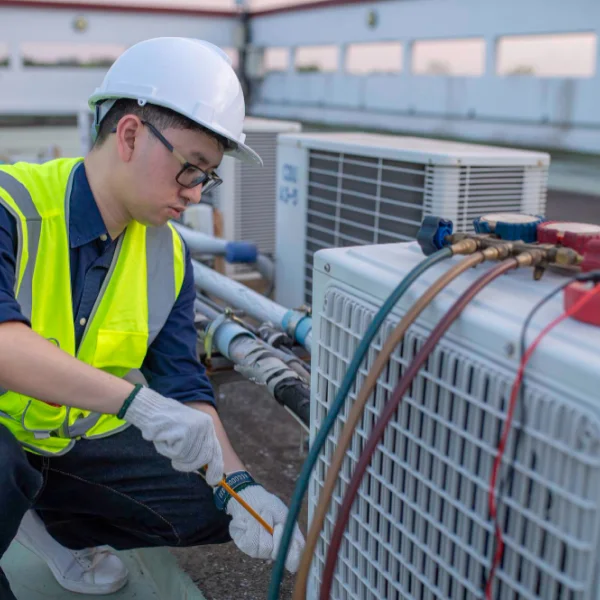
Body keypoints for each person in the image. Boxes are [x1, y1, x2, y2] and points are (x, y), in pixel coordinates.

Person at [0, 37, 304, 598]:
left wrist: (237, 484)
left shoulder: (167, 253)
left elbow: (184, 382)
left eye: (206, 177)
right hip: (4, 442)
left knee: (206, 509)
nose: (194, 193)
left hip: (62, 445)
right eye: (192, 168)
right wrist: (135, 403)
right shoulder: (10, 203)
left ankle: (41, 523)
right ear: (131, 134)